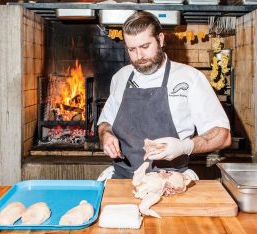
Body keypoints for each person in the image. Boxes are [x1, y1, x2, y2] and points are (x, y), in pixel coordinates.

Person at [97, 11, 231, 179]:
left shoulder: (190, 78)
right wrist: (106, 135)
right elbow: (105, 122)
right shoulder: (121, 77)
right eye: (132, 49)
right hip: (122, 178)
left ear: (160, 39)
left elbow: (223, 135)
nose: (139, 56)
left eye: (145, 47)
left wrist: (184, 147)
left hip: (173, 179)